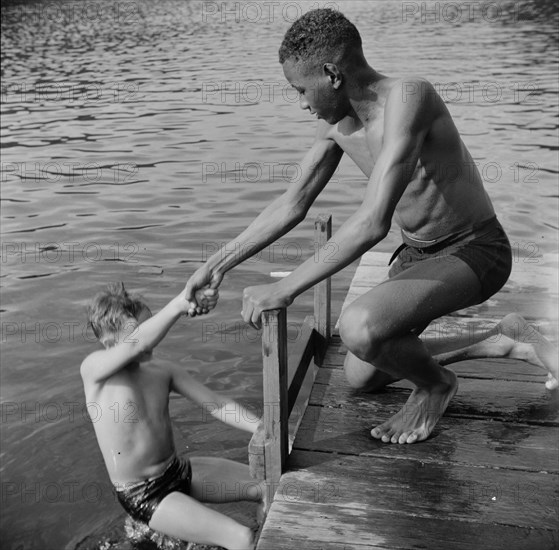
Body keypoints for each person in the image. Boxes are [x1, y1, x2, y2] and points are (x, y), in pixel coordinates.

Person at [185, 9, 558, 445]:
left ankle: (436, 386)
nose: (302, 104)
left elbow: (372, 222)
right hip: (419, 254)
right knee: (362, 373)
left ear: (331, 73)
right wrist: (217, 265)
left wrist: (285, 287)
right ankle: (500, 337)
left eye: (301, 90)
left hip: (476, 250)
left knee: (359, 327)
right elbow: (291, 204)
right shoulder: (339, 129)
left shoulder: (410, 97)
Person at [81, 282, 261, 550]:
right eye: (143, 328)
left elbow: (215, 403)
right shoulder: (95, 371)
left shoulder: (162, 370)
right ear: (110, 342)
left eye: (150, 324)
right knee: (243, 539)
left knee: (267, 487)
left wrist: (262, 428)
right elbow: (137, 343)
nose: (154, 335)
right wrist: (179, 304)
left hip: (177, 471)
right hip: (143, 492)